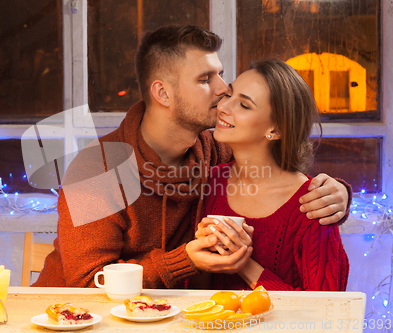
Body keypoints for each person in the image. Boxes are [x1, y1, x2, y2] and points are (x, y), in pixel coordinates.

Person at [33, 25, 351, 289]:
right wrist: (184, 261)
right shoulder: (96, 171)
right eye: (205, 79)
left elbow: (273, 166)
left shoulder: (216, 152)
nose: (223, 89)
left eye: (221, 74)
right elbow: (88, 285)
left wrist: (337, 192)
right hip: (71, 317)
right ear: (163, 93)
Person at [193, 58, 349, 291]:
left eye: (244, 105)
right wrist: (202, 254)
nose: (223, 107)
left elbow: (328, 314)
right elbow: (195, 292)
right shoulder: (211, 181)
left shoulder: (313, 205)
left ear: (275, 130)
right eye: (229, 95)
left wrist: (244, 264)